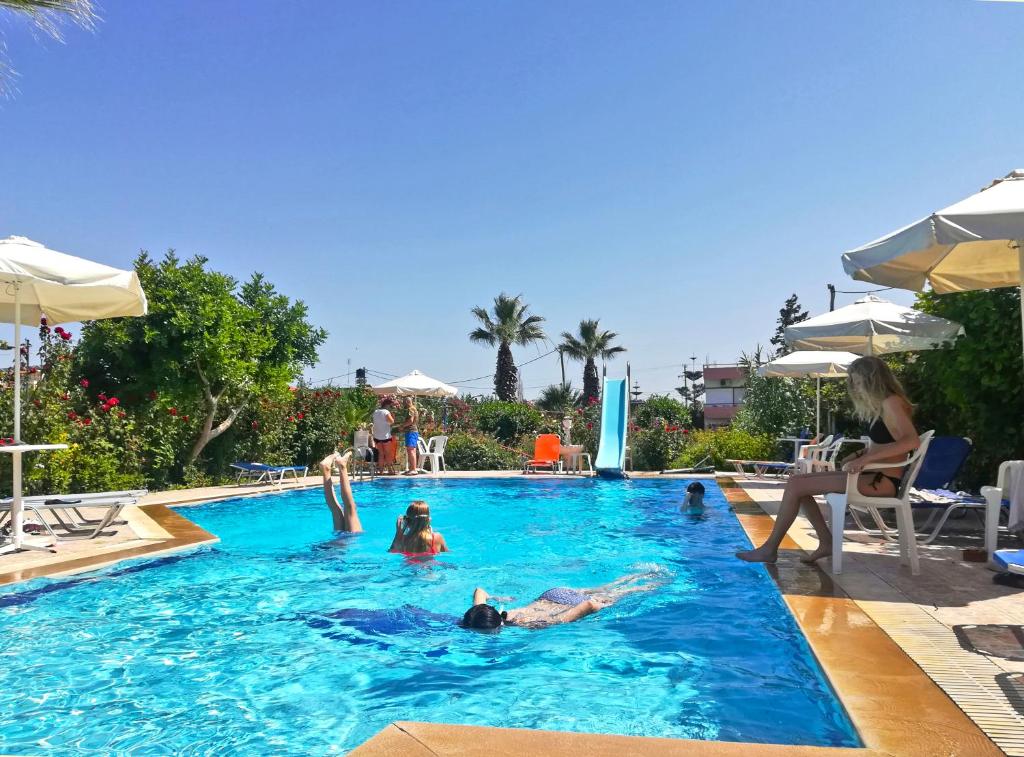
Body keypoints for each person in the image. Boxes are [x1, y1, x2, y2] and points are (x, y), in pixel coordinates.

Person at [736, 356, 920, 565]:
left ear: (873, 380)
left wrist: (867, 458)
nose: (856, 389)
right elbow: (888, 443)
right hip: (872, 476)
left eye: (859, 383)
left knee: (797, 484)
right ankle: (824, 542)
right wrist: (859, 456)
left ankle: (770, 549)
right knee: (798, 482)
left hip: (880, 482)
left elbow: (911, 441)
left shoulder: (891, 403)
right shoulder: (885, 405)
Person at [461, 570, 664, 630]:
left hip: (569, 604)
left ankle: (650, 583)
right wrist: (497, 597)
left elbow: (589, 605)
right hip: (552, 593)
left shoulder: (530, 624)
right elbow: (480, 589)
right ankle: (639, 574)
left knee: (618, 595)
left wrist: (605, 607)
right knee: (607, 586)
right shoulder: (481, 612)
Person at [319, 451, 363, 533]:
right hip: (339, 540)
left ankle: (342, 467)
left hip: (350, 540)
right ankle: (326, 470)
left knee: (350, 508)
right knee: (335, 510)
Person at [372, 396, 397, 474]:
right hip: (385, 436)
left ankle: (381, 471)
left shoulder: (375, 411)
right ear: (387, 405)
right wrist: (393, 416)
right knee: (388, 453)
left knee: (381, 454)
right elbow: (391, 421)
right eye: (390, 406)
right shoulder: (386, 412)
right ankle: (390, 470)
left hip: (377, 436)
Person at [400, 397, 420, 475]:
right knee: (412, 450)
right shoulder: (414, 408)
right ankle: (412, 468)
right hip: (413, 431)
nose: (403, 404)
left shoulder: (410, 409)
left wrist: (402, 426)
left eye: (404, 402)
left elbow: (410, 421)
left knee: (411, 450)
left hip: (411, 431)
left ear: (407, 402)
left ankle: (413, 469)